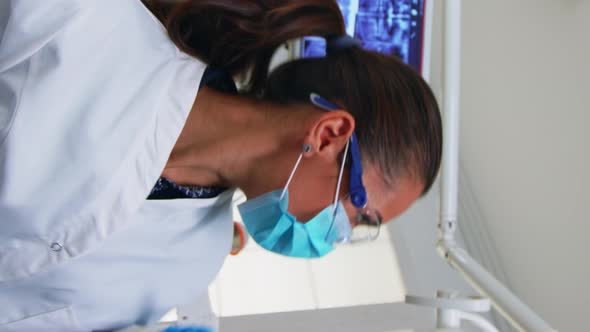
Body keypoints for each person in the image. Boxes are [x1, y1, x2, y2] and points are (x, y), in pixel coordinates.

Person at [0, 0, 442, 330]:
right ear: (328, 135)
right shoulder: (90, 26)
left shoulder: (195, 260)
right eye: (360, 213)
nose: (338, 237)